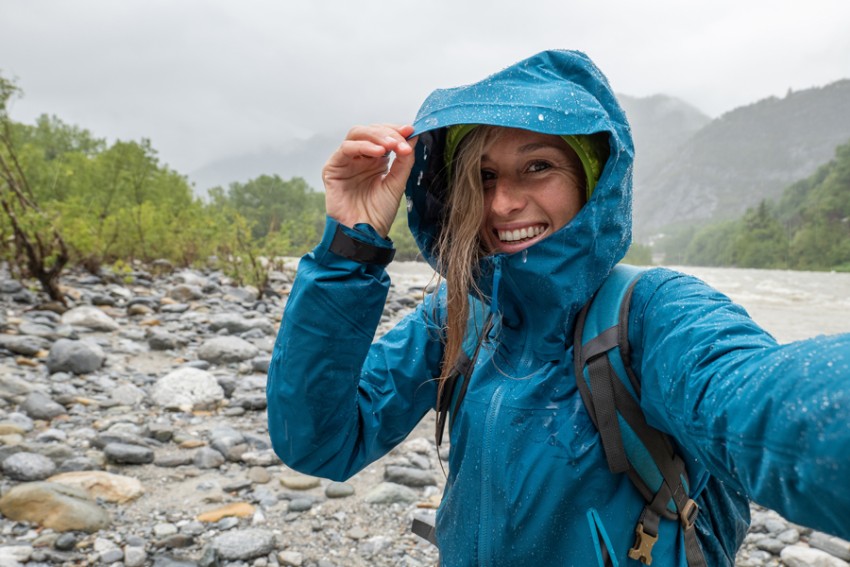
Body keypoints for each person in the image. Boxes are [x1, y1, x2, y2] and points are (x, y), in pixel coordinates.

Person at [266, 50, 850, 566]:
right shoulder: (461, 313)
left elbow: (756, 398)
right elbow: (322, 440)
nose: (502, 202)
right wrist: (350, 247)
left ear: (592, 179)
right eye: (483, 175)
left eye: (538, 166)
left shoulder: (652, 314)